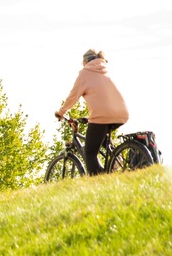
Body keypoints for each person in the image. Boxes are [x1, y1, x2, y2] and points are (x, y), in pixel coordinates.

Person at [55, 48, 130, 176]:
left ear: (85, 61)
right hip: (121, 113)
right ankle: (117, 162)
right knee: (103, 141)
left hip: (102, 116)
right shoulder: (105, 71)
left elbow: (73, 96)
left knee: (89, 152)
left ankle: (99, 179)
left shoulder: (85, 73)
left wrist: (61, 112)